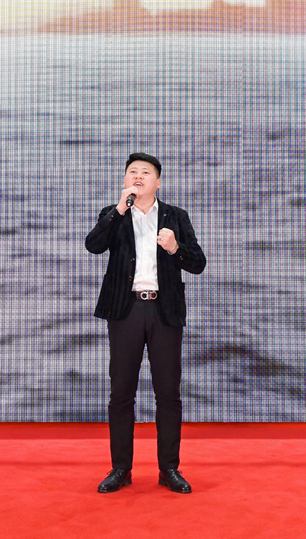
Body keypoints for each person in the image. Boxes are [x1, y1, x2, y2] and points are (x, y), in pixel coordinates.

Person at [85, 152, 206, 494]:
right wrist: (118, 209)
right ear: (125, 180)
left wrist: (175, 247)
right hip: (126, 311)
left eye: (145, 172)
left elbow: (197, 263)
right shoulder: (113, 215)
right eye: (132, 172)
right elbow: (93, 245)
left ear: (158, 182)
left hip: (164, 311)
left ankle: (169, 469)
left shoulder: (176, 216)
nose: (138, 176)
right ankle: (120, 469)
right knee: (121, 392)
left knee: (168, 393)